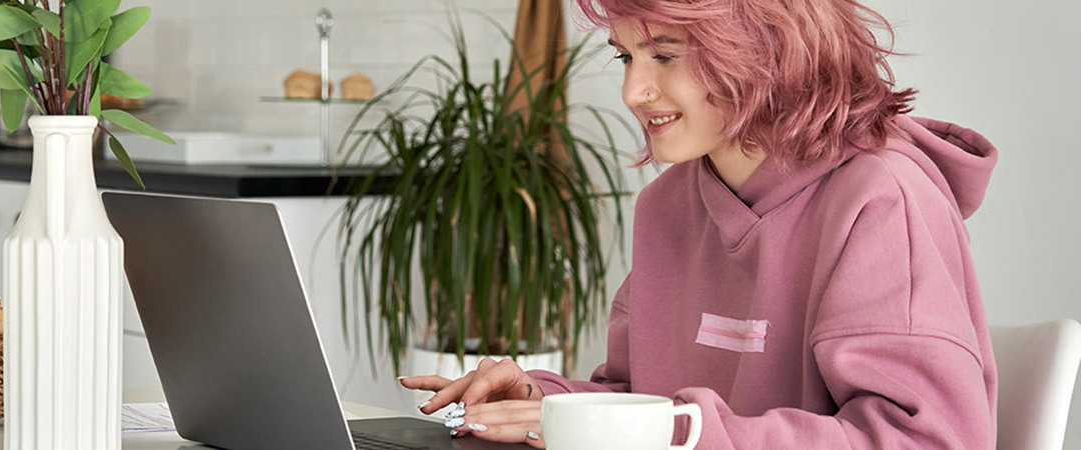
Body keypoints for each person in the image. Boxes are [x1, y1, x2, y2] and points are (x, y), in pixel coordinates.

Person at [398, 0, 999, 448]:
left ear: (768, 49)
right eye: (625, 56)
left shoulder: (880, 198)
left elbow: (930, 440)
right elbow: (644, 405)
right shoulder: (667, 205)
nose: (634, 91)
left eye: (664, 55)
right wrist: (544, 402)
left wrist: (681, 432)